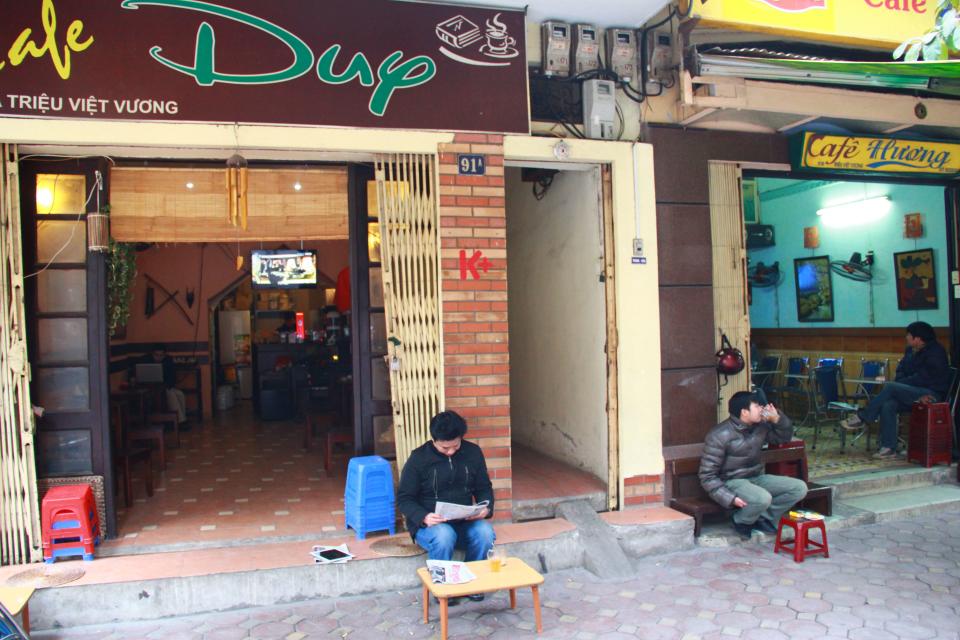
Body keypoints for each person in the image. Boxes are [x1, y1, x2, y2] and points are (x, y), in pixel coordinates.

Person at [398, 411, 495, 604]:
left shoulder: (473, 453)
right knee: (444, 535)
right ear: (434, 440)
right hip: (431, 526)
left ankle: (473, 583)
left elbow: (484, 488)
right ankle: (443, 587)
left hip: (464, 521)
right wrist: (423, 516)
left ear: (461, 438)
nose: (451, 451)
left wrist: (486, 507)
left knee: (485, 532)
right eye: (445, 448)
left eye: (455, 446)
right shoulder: (418, 459)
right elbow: (404, 498)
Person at [699, 391, 807, 539]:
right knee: (762, 498)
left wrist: (777, 420)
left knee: (799, 488)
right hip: (732, 481)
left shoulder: (759, 426)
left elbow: (783, 437)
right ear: (744, 412)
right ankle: (741, 520)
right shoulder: (719, 435)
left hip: (756, 478)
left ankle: (762, 518)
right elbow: (707, 476)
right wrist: (730, 498)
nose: (762, 410)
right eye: (757, 406)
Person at [841, 321, 950, 459]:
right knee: (888, 404)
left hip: (931, 393)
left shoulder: (936, 352)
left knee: (892, 387)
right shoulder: (910, 350)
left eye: (909, 335)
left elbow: (923, 378)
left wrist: (900, 385)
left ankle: (863, 417)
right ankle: (888, 448)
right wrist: (901, 383)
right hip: (912, 390)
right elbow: (901, 369)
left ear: (918, 338)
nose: (906, 338)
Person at [138, 344, 187, 424]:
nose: (159, 357)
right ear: (152, 354)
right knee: (171, 395)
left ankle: (183, 419)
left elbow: (172, 377)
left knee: (180, 394)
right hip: (149, 388)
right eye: (156, 355)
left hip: (165, 387)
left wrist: (167, 386)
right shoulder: (145, 360)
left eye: (161, 355)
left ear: (165, 354)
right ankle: (179, 422)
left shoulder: (168, 360)